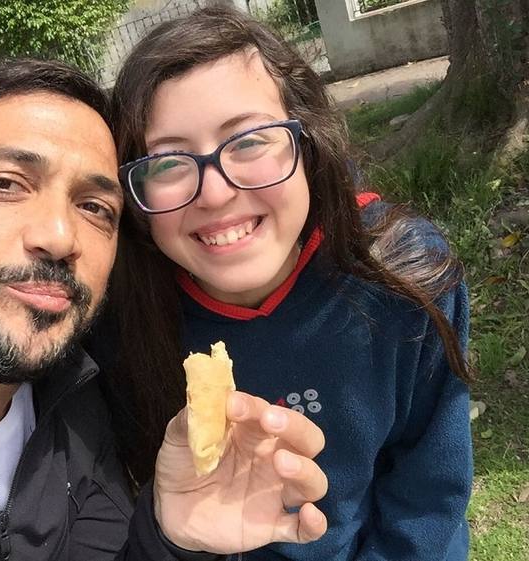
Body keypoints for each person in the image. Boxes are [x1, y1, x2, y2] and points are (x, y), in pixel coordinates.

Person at [0, 60, 330, 560]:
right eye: (5, 184)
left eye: (95, 207)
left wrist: (170, 537)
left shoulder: (80, 394)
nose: (58, 236)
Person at [92, 7, 474, 561]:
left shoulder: (405, 273)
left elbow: (427, 499)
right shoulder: (118, 323)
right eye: (168, 162)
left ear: (308, 142)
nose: (216, 194)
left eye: (249, 141)